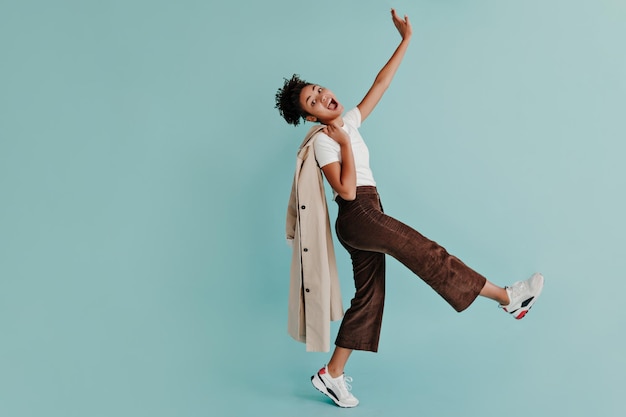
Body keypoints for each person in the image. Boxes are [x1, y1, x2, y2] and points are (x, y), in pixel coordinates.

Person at [275, 8, 544, 408]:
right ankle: (509, 298)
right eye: (312, 101)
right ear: (310, 116)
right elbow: (346, 192)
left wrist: (405, 40)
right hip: (359, 213)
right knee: (428, 254)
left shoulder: (346, 123)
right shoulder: (323, 141)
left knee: (369, 296)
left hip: (366, 213)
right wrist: (345, 145)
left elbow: (380, 84)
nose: (320, 96)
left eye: (317, 89)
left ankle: (330, 374)